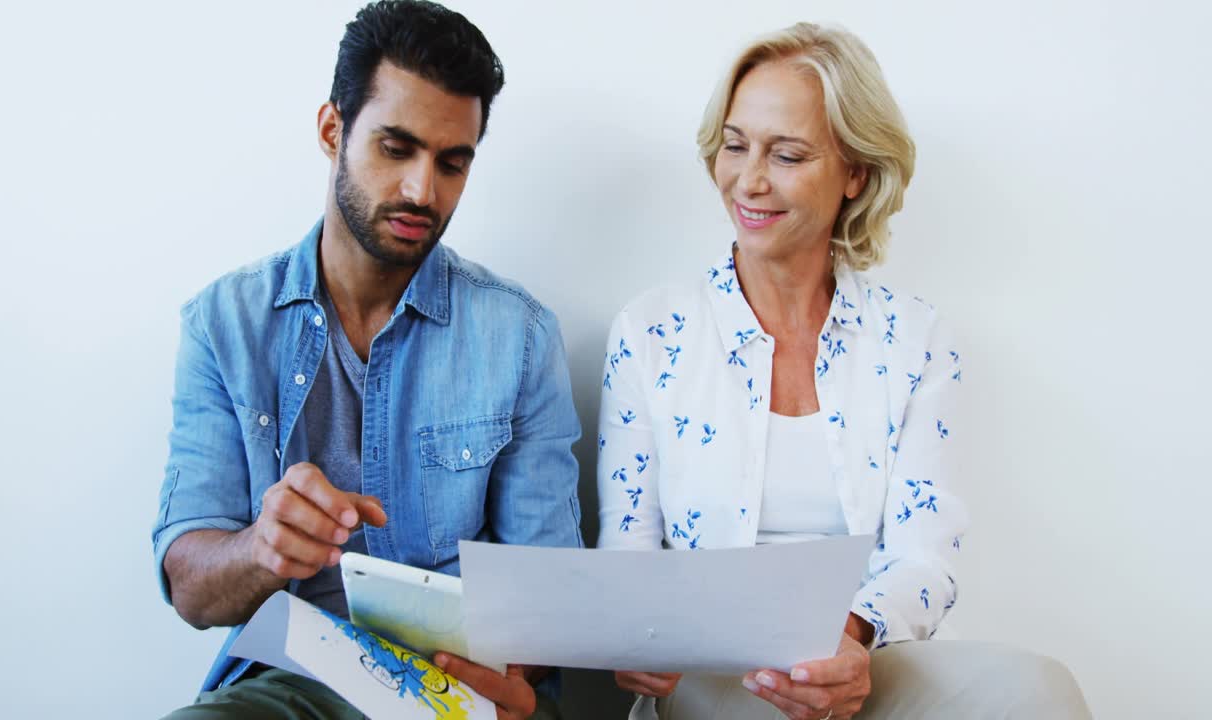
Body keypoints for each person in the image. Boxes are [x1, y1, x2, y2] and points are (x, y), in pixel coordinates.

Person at [596, 22, 1091, 719]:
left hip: (865, 657)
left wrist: (849, 638)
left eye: (787, 154)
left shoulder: (915, 339)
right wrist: (636, 634)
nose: (749, 179)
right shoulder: (650, 332)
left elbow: (925, 558)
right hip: (715, 671)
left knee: (1038, 689)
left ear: (855, 172)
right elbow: (628, 553)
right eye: (735, 145)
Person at [151, 2, 582, 718]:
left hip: (462, 686)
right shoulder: (224, 324)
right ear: (333, 131)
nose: (422, 191)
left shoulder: (521, 336)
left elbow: (552, 595)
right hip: (294, 687)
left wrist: (513, 677)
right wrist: (262, 547)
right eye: (396, 148)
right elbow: (192, 590)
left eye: (452, 163)